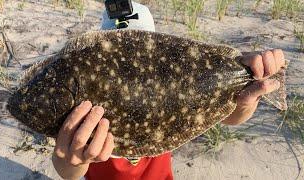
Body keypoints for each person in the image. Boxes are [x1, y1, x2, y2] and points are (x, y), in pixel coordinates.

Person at [52, 2, 286, 180]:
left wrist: (246, 98)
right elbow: (66, 168)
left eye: (140, 50)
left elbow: (232, 115)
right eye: (116, 54)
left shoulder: (178, 87)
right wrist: (74, 160)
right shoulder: (83, 96)